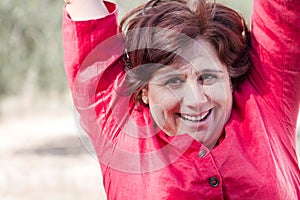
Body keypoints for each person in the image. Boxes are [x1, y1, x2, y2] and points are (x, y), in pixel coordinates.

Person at [62, 0, 300, 199]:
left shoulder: (266, 98)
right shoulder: (118, 125)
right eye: (173, 82)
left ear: (229, 76)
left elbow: (282, 12)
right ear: (145, 90)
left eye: (207, 77)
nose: (196, 100)